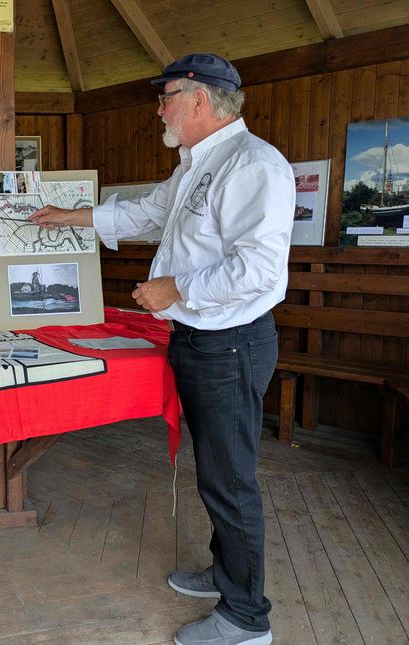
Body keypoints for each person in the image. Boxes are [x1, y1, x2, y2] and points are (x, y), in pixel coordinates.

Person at [29, 53, 294, 645]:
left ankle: (246, 620)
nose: (159, 108)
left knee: (230, 482)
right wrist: (66, 216)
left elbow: (259, 272)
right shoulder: (197, 165)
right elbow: (148, 215)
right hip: (200, 341)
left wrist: (174, 288)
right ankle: (227, 574)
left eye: (166, 96)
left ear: (199, 99)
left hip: (230, 344)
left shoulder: (254, 165)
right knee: (216, 475)